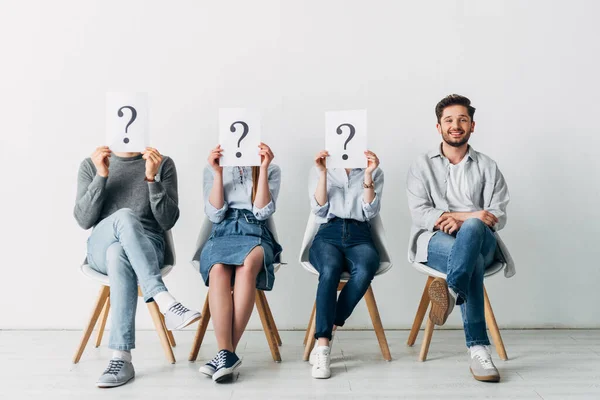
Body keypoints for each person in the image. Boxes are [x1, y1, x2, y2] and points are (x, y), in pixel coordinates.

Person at [406, 94, 514, 382]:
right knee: (472, 262)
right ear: (439, 126)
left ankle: (451, 292)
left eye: (462, 120)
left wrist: (466, 220)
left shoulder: (488, 166)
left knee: (474, 231)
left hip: (483, 240)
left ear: (472, 126)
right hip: (436, 242)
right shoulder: (421, 165)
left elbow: (496, 215)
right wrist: (471, 215)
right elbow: (420, 213)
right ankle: (478, 349)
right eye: (449, 120)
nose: (456, 125)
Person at [74, 146, 201, 388]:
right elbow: (83, 219)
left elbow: (168, 220)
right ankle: (164, 300)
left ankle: (121, 358)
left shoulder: (162, 163)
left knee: (119, 252)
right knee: (123, 217)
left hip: (147, 244)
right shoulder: (92, 163)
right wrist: (101, 175)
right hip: (100, 245)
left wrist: (151, 178)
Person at [194, 143, 282, 383]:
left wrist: (263, 168)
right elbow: (214, 214)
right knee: (218, 268)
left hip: (255, 231)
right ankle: (227, 354)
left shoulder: (272, 169)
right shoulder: (211, 169)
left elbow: (262, 212)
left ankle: (224, 355)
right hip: (222, 231)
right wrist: (218, 172)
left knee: (247, 267)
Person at [307, 149, 384, 379]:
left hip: (359, 234)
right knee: (329, 270)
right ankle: (322, 345)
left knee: (365, 268)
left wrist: (369, 174)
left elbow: (370, 211)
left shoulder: (373, 170)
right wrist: (322, 173)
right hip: (328, 233)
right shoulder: (321, 169)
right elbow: (319, 209)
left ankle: (329, 328)